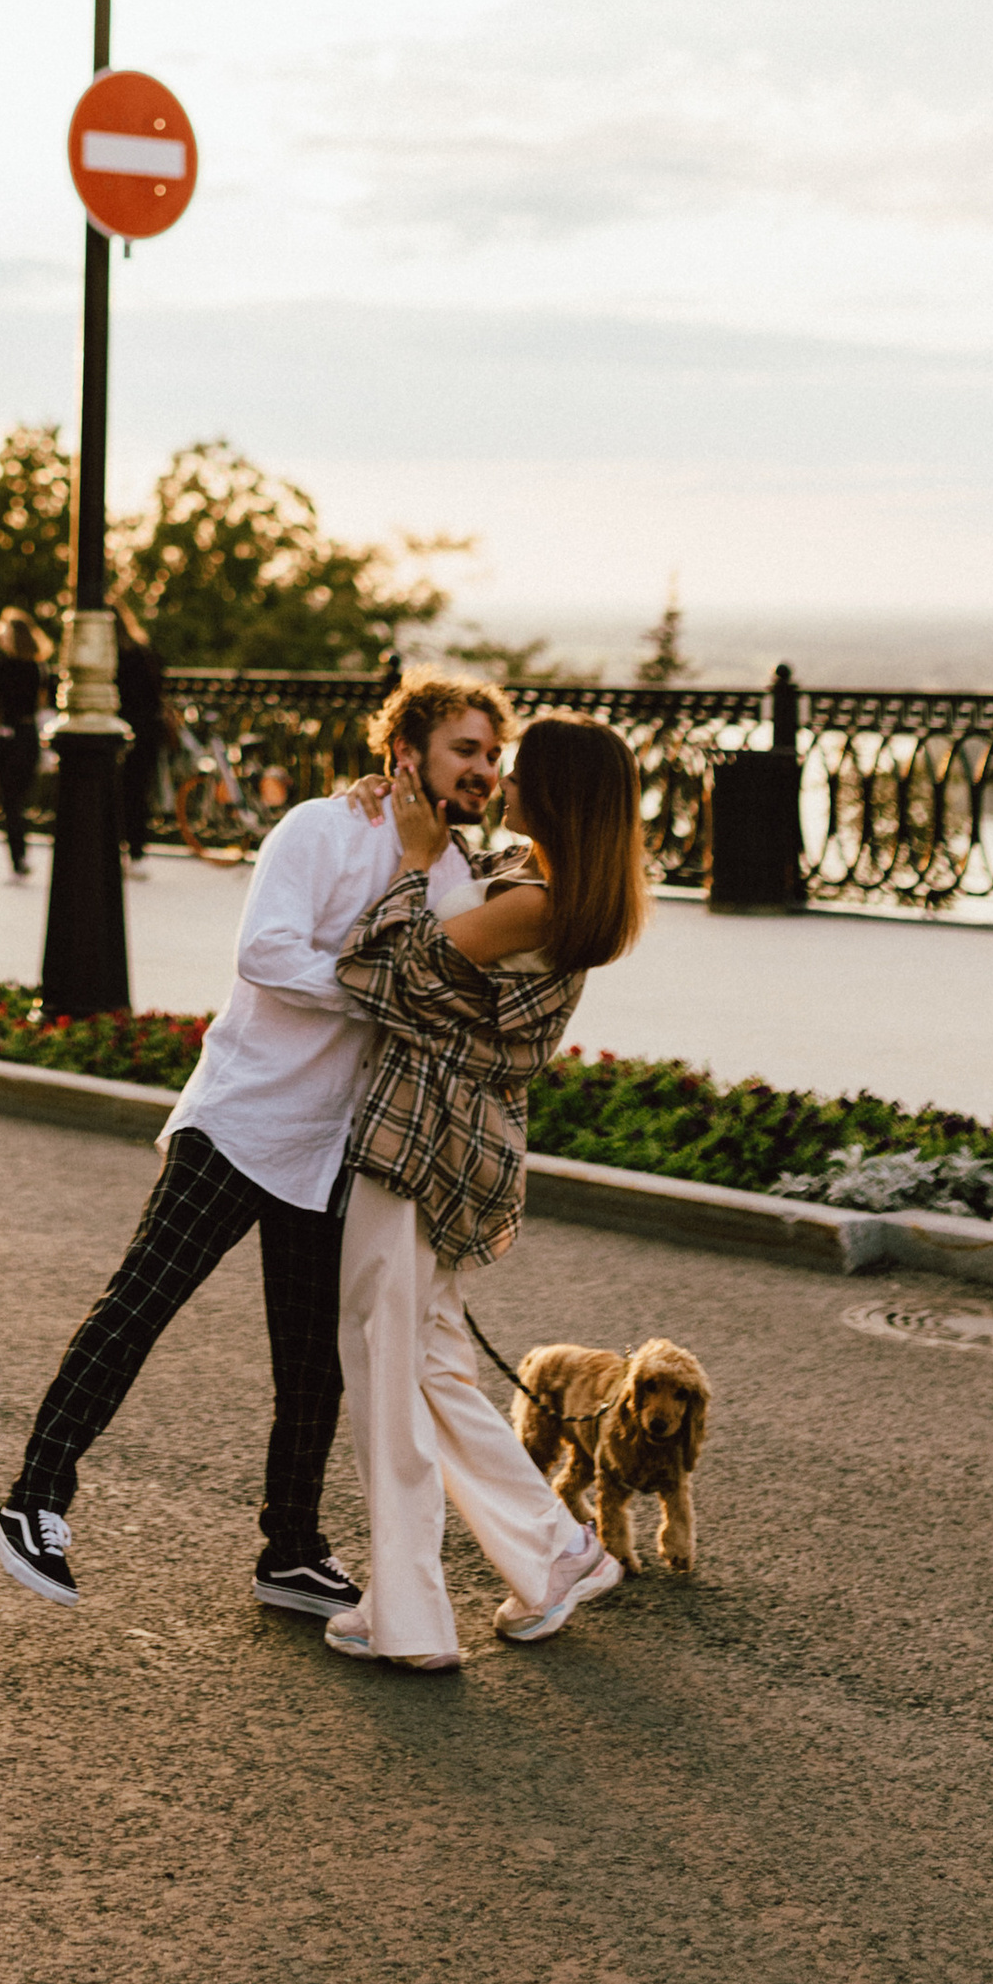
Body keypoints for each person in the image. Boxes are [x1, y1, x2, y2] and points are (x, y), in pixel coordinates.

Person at [0, 672, 514, 1616]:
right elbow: (266, 952)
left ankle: (292, 1551)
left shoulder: (459, 877)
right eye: (465, 750)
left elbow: (439, 1001)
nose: (483, 768)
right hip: (241, 1121)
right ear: (408, 753)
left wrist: (398, 967)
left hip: (334, 1147)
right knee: (140, 1304)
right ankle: (35, 1498)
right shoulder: (322, 828)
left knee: (311, 1362)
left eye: (491, 754)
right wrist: (378, 979)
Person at [327, 713, 648, 1674]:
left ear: (553, 794)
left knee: (385, 1366)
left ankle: (412, 1618)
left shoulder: (536, 901)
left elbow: (377, 967)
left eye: (516, 768)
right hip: (455, 1140)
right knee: (426, 1364)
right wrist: (391, 812)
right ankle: (553, 1556)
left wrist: (412, 866)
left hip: (420, 1139)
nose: (498, 777)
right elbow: (437, 931)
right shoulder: (546, 882)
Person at [0, 608, 50, 881]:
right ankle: (22, 853)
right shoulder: (38, 669)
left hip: (6, 738)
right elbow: (42, 707)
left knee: (10, 801)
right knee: (21, 799)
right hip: (29, 737)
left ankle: (18, 856)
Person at [114, 601, 173, 879]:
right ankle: (136, 853)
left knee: (118, 794)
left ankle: (121, 851)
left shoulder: (113, 658)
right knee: (139, 794)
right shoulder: (144, 653)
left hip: (122, 731)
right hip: (149, 731)